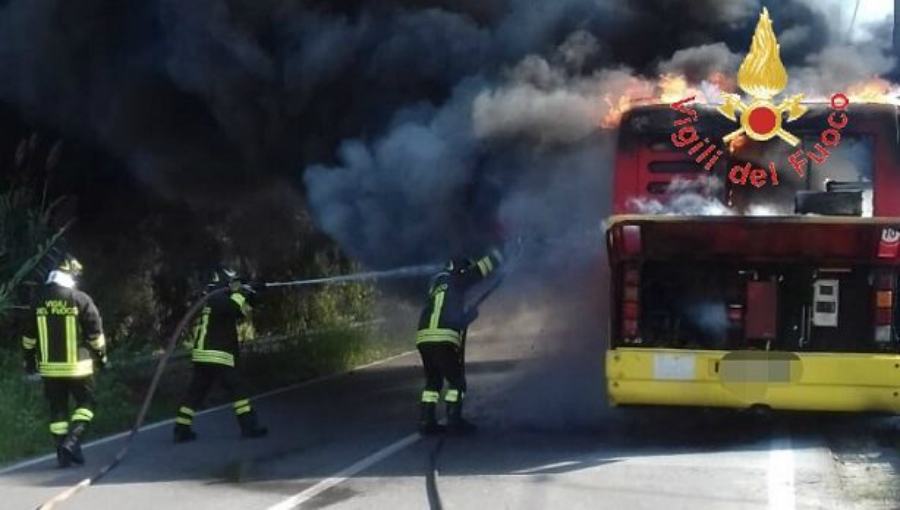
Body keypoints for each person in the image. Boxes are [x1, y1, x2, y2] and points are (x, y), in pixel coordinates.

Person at [21, 256, 108, 467]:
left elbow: (28, 338)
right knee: (87, 404)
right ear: (70, 276)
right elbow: (95, 335)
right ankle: (73, 441)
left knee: (57, 410)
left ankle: (62, 454)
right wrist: (102, 358)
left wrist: (30, 363)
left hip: (50, 369)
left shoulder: (38, 301)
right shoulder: (80, 299)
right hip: (79, 367)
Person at [173, 268, 268, 442]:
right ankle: (249, 427)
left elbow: (242, 311)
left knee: (195, 392)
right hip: (218, 355)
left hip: (202, 355)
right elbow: (234, 306)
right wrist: (242, 291)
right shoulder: (218, 299)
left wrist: (255, 294)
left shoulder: (210, 300)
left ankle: (181, 429)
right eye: (232, 283)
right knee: (238, 390)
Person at [416, 248, 503, 434]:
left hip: (424, 338)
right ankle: (454, 420)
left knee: (433, 382)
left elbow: (446, 312)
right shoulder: (456, 279)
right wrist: (500, 255)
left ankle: (426, 421)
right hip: (443, 338)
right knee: (457, 383)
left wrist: (466, 317)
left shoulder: (436, 284)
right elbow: (480, 271)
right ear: (459, 269)